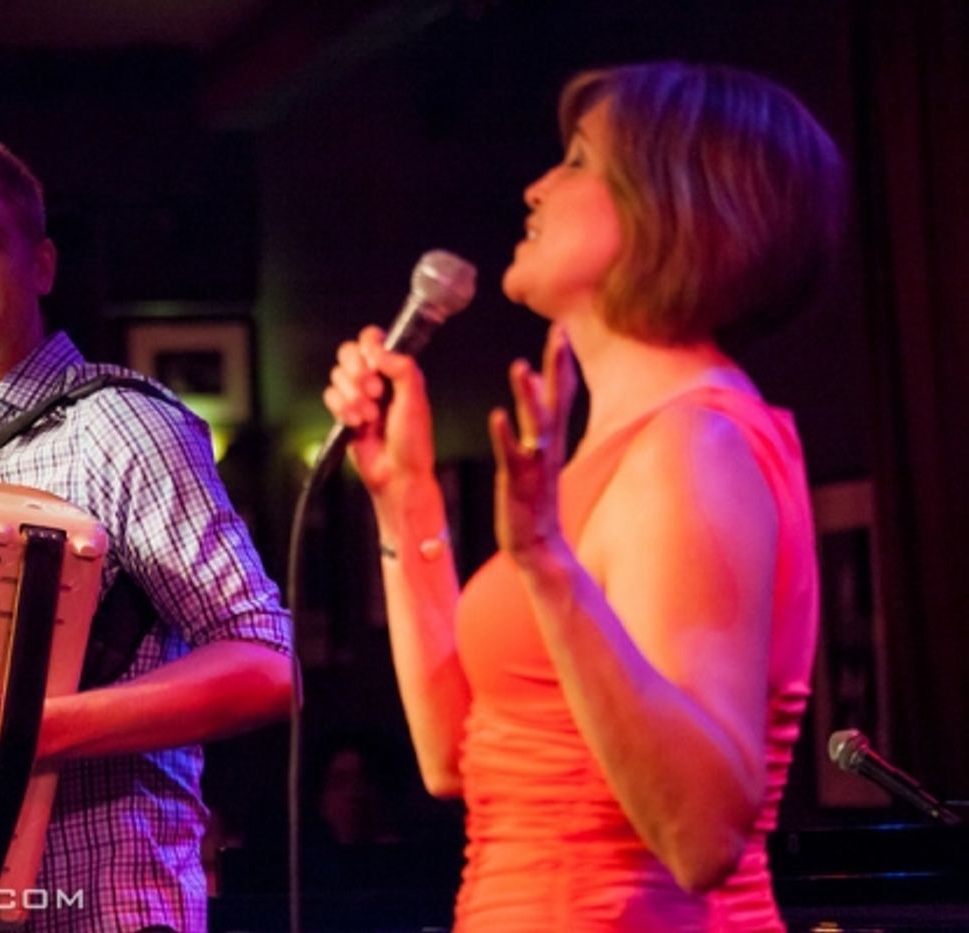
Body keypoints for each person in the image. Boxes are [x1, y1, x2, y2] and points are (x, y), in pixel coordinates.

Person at [323, 62, 844, 930]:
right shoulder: (616, 452)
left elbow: (702, 832)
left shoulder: (697, 446)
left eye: (574, 162)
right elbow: (458, 758)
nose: (534, 188)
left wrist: (547, 565)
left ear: (669, 209)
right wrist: (403, 495)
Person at [0, 127, 295, 931]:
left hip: (113, 908)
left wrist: (20, 731)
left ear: (42, 263)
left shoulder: (120, 426)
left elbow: (266, 661)